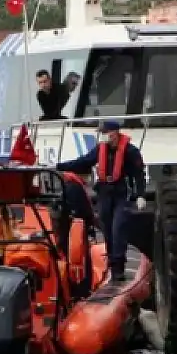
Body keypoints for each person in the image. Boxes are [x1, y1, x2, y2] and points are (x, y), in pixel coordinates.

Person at [56, 120, 146, 282]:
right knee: (107, 228)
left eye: (106, 133)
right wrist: (59, 166)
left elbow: (139, 174)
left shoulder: (130, 151)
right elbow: (83, 161)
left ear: (115, 133)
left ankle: (118, 266)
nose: (104, 136)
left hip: (121, 193)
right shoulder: (100, 149)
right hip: (104, 192)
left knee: (119, 228)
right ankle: (112, 262)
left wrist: (141, 195)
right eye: (102, 133)